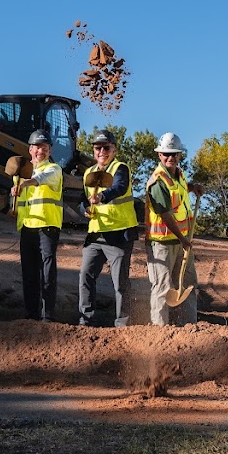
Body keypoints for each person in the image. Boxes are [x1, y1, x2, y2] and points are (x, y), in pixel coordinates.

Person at [77, 129, 137, 327]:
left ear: (114, 149)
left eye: (106, 148)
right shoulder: (88, 173)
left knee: (120, 283)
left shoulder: (120, 168)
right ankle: (85, 321)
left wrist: (102, 196)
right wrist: (85, 208)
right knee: (85, 276)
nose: (102, 151)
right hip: (95, 235)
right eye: (97, 148)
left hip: (119, 235)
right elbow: (80, 200)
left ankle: (122, 324)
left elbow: (119, 188)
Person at [144, 132, 198, 327]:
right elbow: (166, 215)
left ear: (180, 155)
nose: (170, 157)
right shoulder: (158, 182)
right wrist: (183, 240)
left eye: (174, 154)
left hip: (182, 240)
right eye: (166, 154)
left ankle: (190, 326)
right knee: (163, 287)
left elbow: (179, 189)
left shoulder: (179, 174)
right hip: (163, 243)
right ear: (159, 155)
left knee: (188, 284)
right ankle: (160, 330)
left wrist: (192, 187)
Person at [13, 129, 63, 322]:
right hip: (27, 228)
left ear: (49, 150)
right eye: (37, 147)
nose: (40, 151)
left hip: (47, 227)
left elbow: (40, 180)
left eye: (45, 147)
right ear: (30, 149)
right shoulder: (21, 174)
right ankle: (31, 315)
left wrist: (26, 183)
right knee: (29, 273)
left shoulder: (54, 169)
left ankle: (48, 317)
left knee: (47, 273)